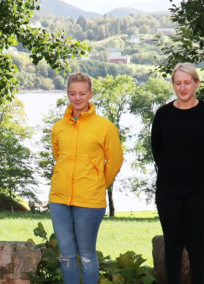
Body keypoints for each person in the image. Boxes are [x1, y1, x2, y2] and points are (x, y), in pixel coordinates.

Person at [151, 63, 204, 284]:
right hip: (168, 192)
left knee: (197, 247)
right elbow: (158, 151)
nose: (182, 88)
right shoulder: (163, 115)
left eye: (187, 83)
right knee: (172, 248)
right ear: (173, 84)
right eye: (178, 83)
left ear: (196, 83)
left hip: (201, 192)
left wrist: (202, 177)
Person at [48, 73, 123, 284]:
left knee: (87, 254)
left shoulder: (105, 127)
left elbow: (115, 161)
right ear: (68, 94)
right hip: (59, 199)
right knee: (66, 255)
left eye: (82, 93)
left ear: (90, 94)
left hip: (89, 200)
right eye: (72, 93)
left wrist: (98, 184)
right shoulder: (59, 127)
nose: (77, 98)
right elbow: (59, 157)